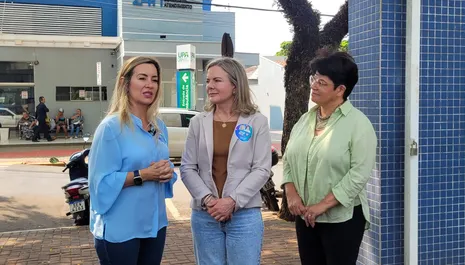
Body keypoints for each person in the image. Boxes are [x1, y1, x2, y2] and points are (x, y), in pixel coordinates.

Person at [281, 51, 377, 265]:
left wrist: (322, 205)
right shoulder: (305, 120)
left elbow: (358, 174)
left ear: (340, 90)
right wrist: (292, 193)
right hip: (306, 216)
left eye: (322, 82)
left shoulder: (359, 125)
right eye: (313, 78)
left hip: (342, 219)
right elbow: (288, 158)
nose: (314, 85)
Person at [180, 57, 272, 265]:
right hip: (205, 214)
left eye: (217, 81)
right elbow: (187, 167)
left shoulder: (257, 121)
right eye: (208, 81)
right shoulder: (197, 122)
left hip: (245, 215)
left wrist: (232, 201)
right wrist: (208, 200)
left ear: (235, 85)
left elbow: (261, 169)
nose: (210, 86)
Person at [88, 56, 177, 265]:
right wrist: (143, 175)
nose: (150, 85)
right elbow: (99, 185)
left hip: (155, 225)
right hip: (121, 229)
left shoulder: (159, 127)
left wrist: (167, 172)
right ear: (125, 83)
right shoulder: (111, 128)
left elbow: (164, 169)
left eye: (154, 79)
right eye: (142, 78)